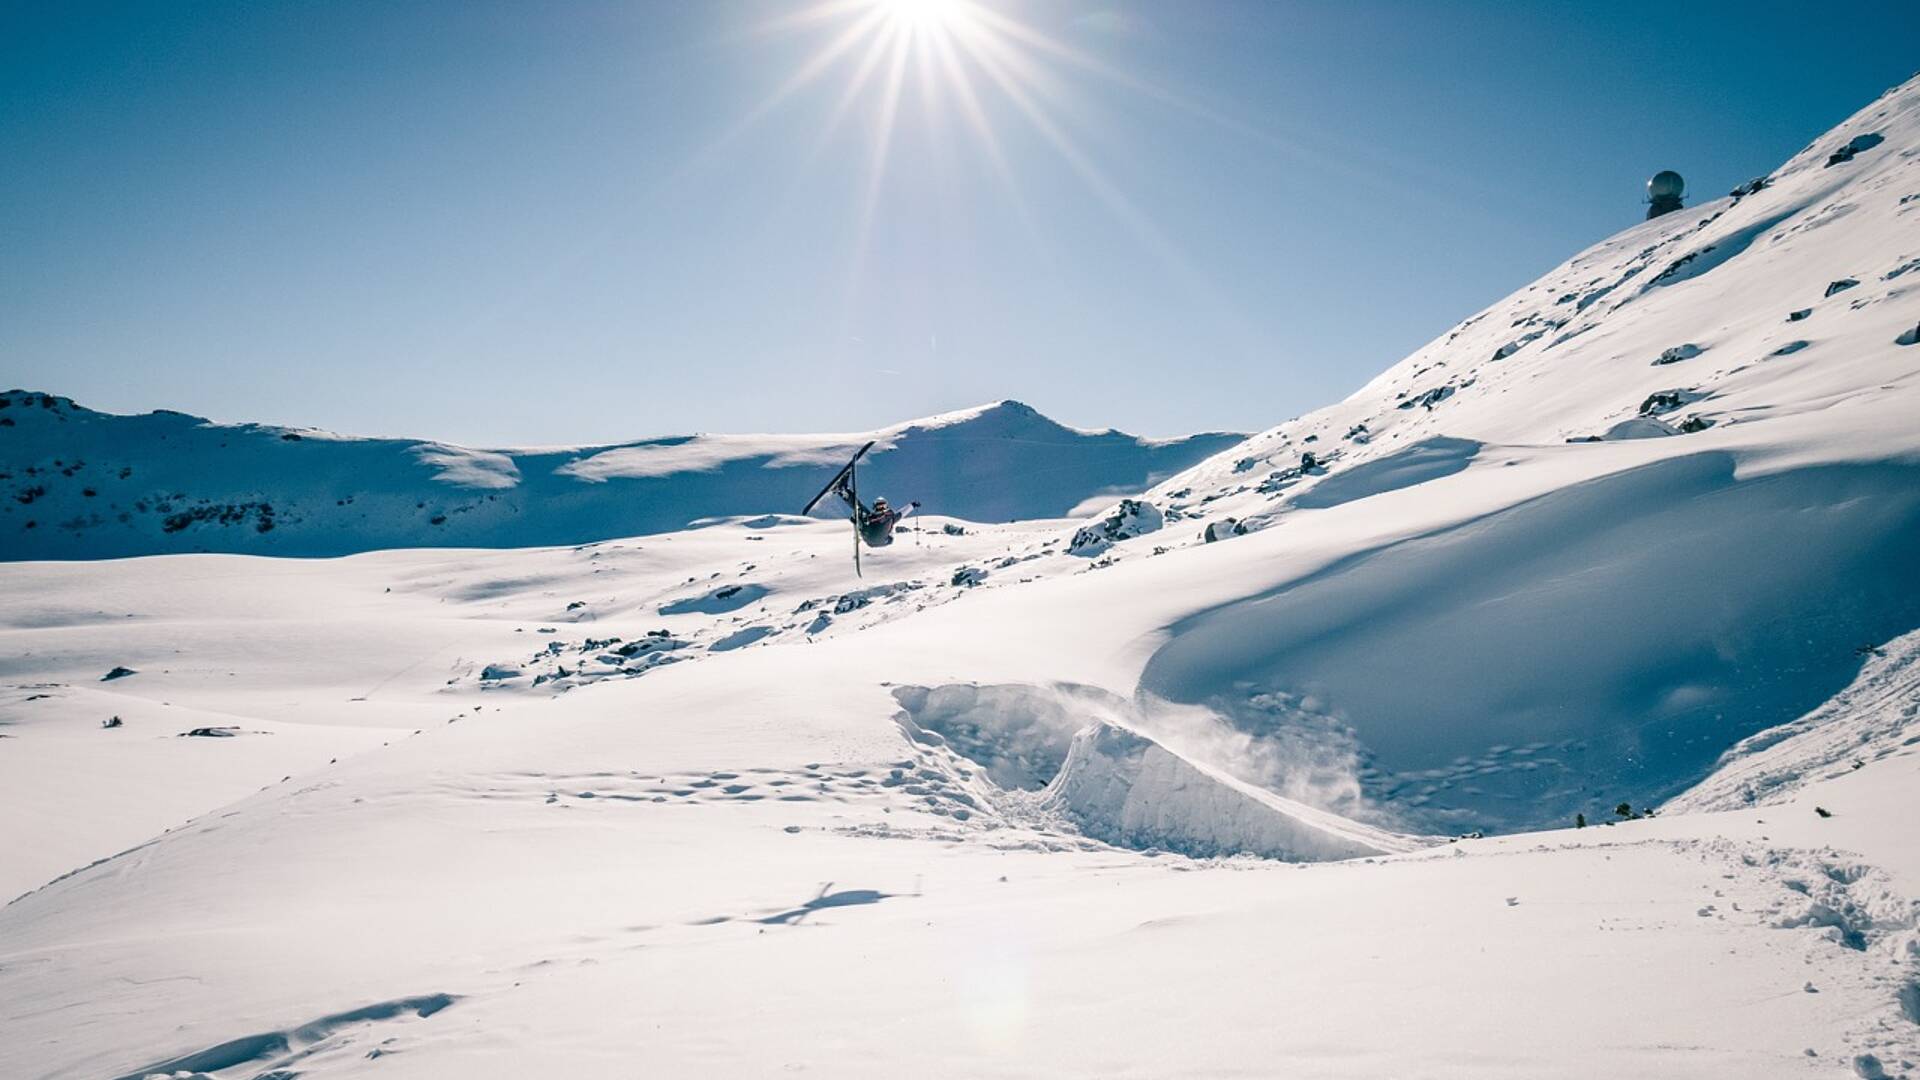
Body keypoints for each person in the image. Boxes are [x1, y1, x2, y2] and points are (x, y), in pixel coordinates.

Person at [831, 479, 914, 547]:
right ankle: (843, 490)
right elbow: (901, 514)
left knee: (862, 510)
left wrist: (912, 505)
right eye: (878, 506)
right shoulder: (876, 517)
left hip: (877, 539)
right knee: (861, 510)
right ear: (874, 507)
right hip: (873, 540)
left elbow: (902, 513)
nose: (880, 508)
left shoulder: (888, 517)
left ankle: (842, 489)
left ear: (886, 507)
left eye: (882, 506)